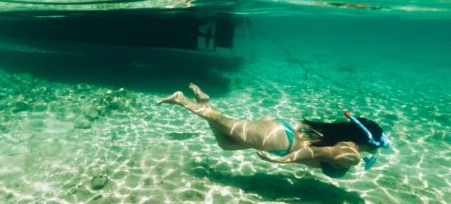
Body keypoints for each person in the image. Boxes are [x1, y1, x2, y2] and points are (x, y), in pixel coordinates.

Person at [157, 83, 390, 178]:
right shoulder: (351, 154)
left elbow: (317, 152)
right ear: (367, 141)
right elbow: (315, 154)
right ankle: (182, 100)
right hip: (280, 140)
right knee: (225, 123)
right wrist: (282, 162)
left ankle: (205, 103)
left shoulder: (339, 139)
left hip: (281, 131)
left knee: (226, 143)